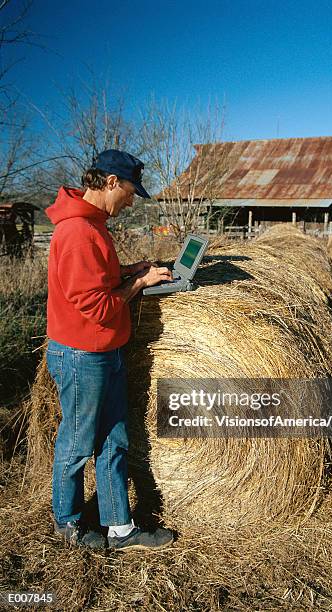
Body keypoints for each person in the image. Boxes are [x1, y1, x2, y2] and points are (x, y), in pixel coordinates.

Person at [45, 149, 174, 551]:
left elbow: (97, 278)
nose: (133, 200)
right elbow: (97, 307)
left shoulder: (94, 225)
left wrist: (131, 270)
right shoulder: (77, 232)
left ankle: (120, 528)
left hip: (105, 351)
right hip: (83, 354)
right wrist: (139, 284)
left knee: (114, 440)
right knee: (78, 442)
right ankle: (66, 525)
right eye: (132, 191)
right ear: (112, 182)